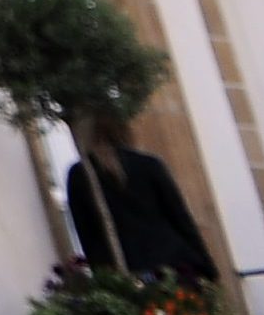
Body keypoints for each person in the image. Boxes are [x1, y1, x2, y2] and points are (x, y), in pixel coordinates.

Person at [67, 113, 219, 280]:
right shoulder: (149, 164)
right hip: (174, 264)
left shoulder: (80, 175)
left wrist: (106, 281)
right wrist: (209, 269)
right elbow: (181, 219)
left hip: (129, 273)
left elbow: (87, 237)